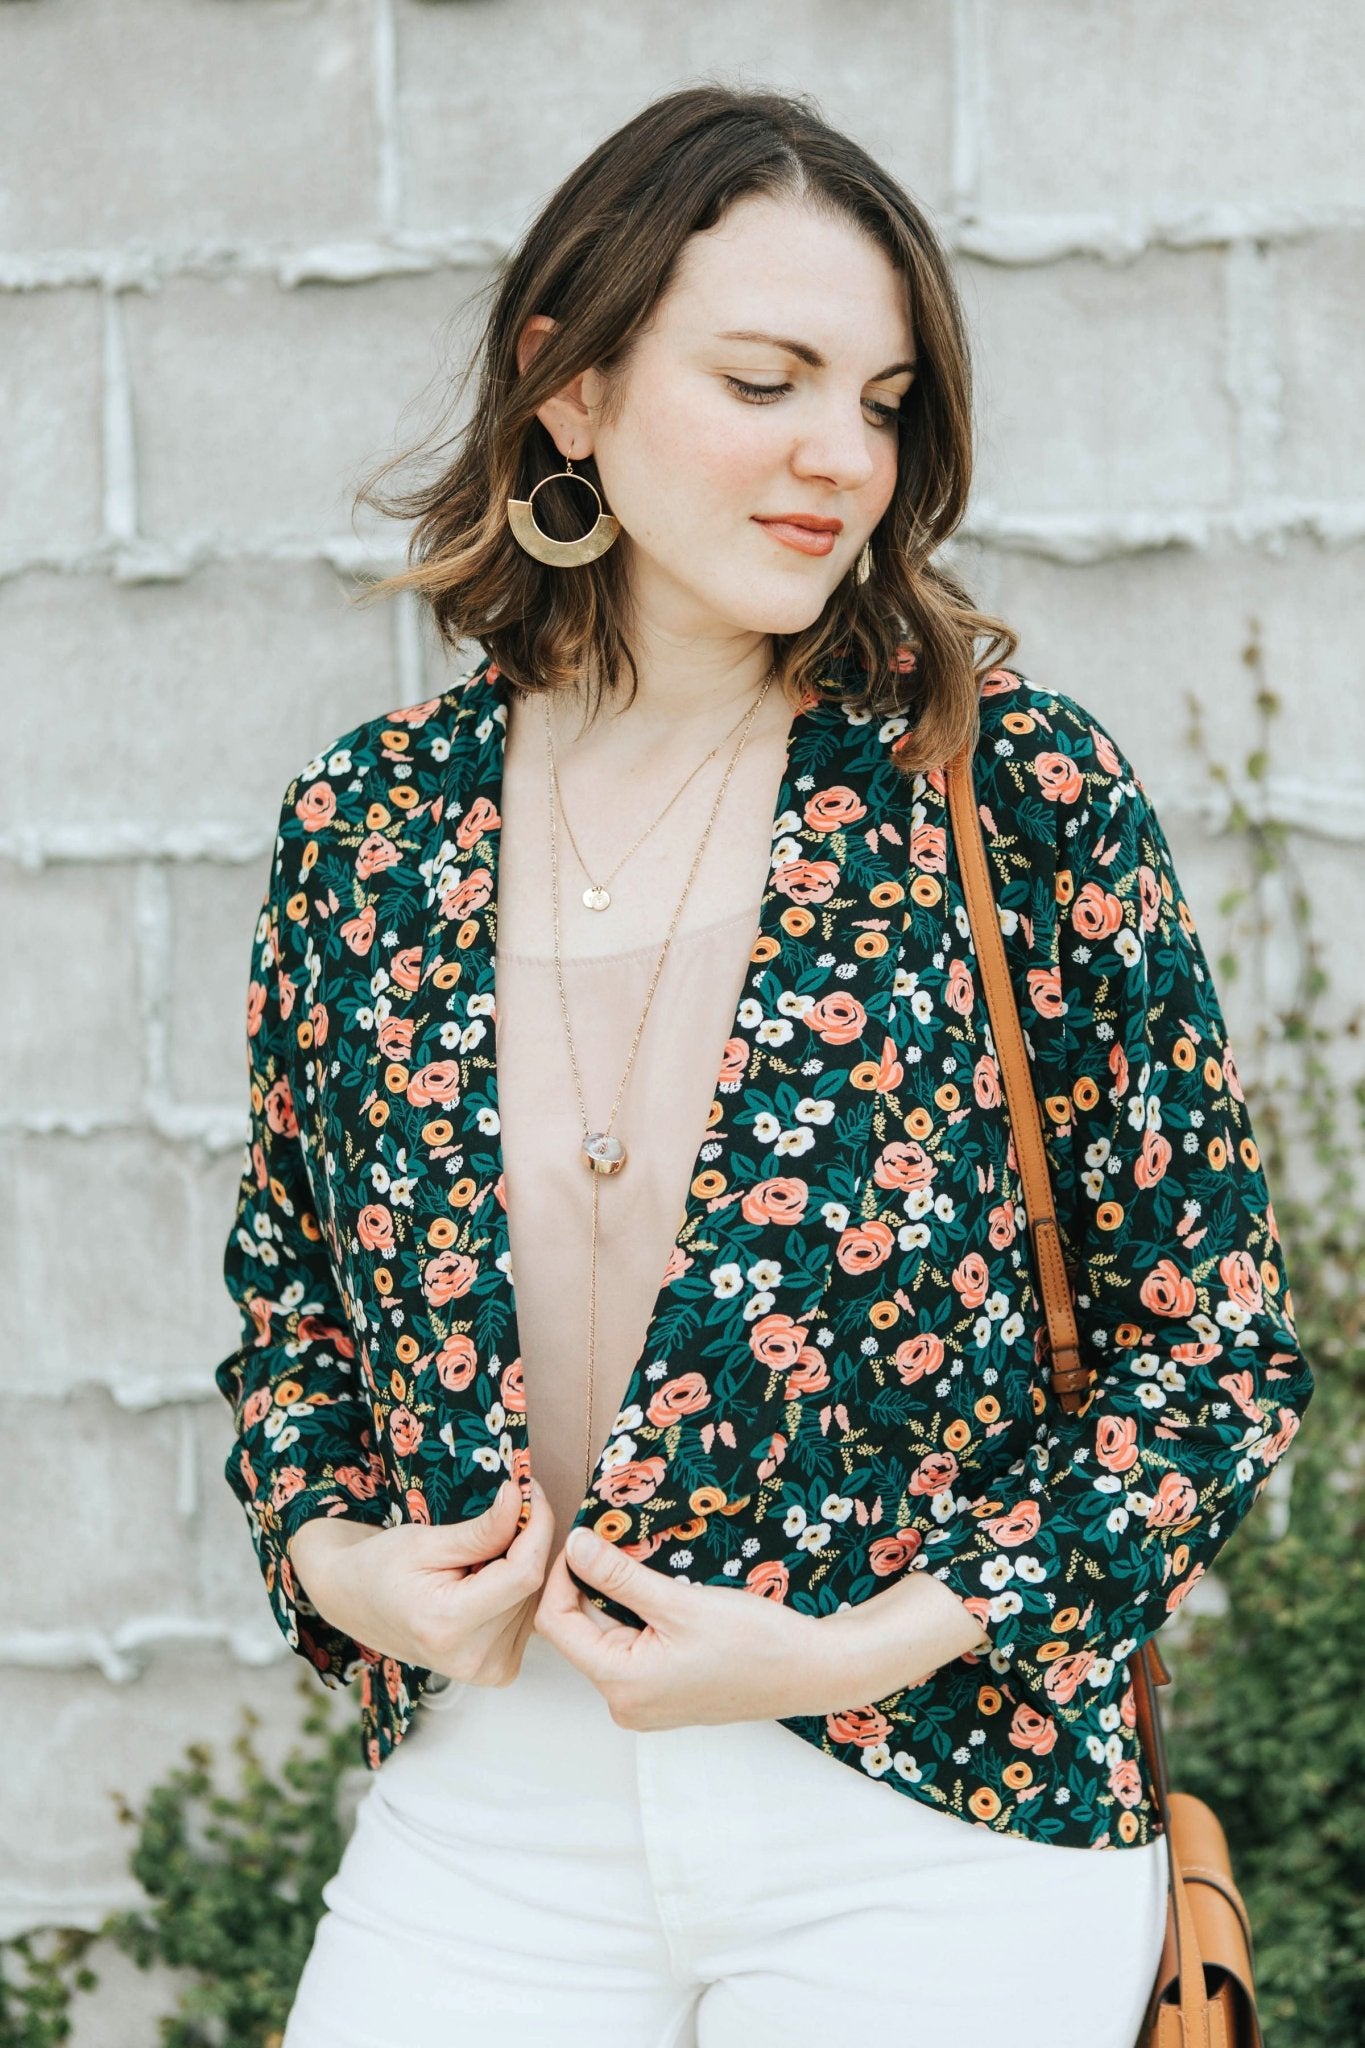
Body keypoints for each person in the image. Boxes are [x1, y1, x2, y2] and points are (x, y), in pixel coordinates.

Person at [214, 83, 1315, 2048]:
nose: (840, 457)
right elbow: (289, 1298)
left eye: (881, 402)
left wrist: (861, 1645)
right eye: (763, 380)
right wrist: (343, 1562)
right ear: (568, 388)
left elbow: (1212, 1351)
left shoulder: (1003, 785)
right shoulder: (366, 827)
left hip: (933, 1820)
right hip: (491, 1810)